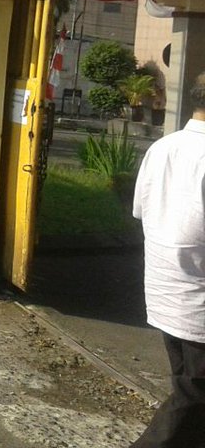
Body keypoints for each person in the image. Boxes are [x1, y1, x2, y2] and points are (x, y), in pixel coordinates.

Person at [131, 72, 205, 447]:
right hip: (197, 302)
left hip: (164, 292)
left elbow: (143, 212)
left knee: (187, 387)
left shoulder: (162, 148)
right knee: (193, 398)